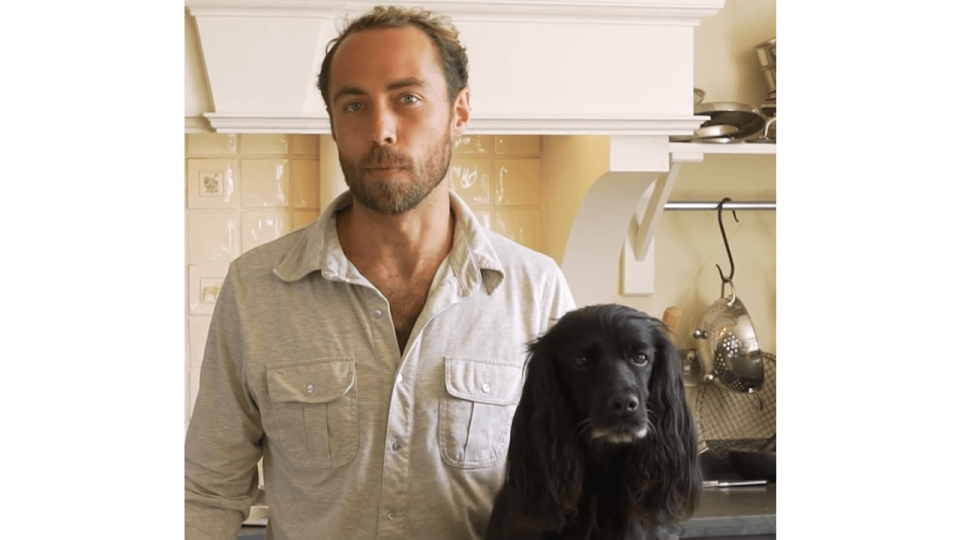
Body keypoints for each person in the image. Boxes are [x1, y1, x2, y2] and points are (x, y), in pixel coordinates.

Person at [183, 5, 576, 540]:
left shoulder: (536, 292)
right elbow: (207, 492)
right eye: (353, 105)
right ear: (333, 121)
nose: (380, 129)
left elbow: (578, 483)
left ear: (459, 113)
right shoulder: (256, 289)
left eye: (407, 98)